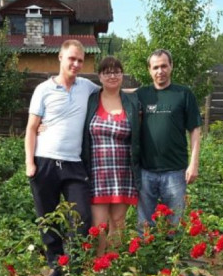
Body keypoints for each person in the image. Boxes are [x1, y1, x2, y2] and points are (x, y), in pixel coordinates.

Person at [25, 39, 100, 276]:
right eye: (72, 59)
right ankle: (55, 267)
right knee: (48, 218)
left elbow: (112, 90)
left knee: (81, 217)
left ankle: (75, 265)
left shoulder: (86, 87)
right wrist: (30, 164)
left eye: (80, 60)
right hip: (44, 162)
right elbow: (31, 128)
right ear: (60, 57)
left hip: (73, 164)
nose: (76, 64)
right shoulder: (43, 90)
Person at [136, 49, 202, 228]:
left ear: (171, 66)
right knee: (144, 226)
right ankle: (146, 256)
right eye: (155, 67)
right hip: (146, 172)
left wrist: (194, 163)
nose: (160, 71)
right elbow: (116, 92)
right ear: (149, 70)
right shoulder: (141, 95)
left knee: (175, 225)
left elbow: (195, 130)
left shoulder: (184, 94)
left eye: (164, 66)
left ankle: (173, 256)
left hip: (175, 171)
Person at [81, 56, 140, 254]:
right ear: (99, 76)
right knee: (99, 225)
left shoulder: (131, 101)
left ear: (122, 75)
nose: (112, 75)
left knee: (118, 222)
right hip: (97, 173)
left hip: (123, 173)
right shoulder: (90, 100)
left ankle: (113, 267)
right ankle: (100, 266)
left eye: (117, 71)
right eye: (107, 72)